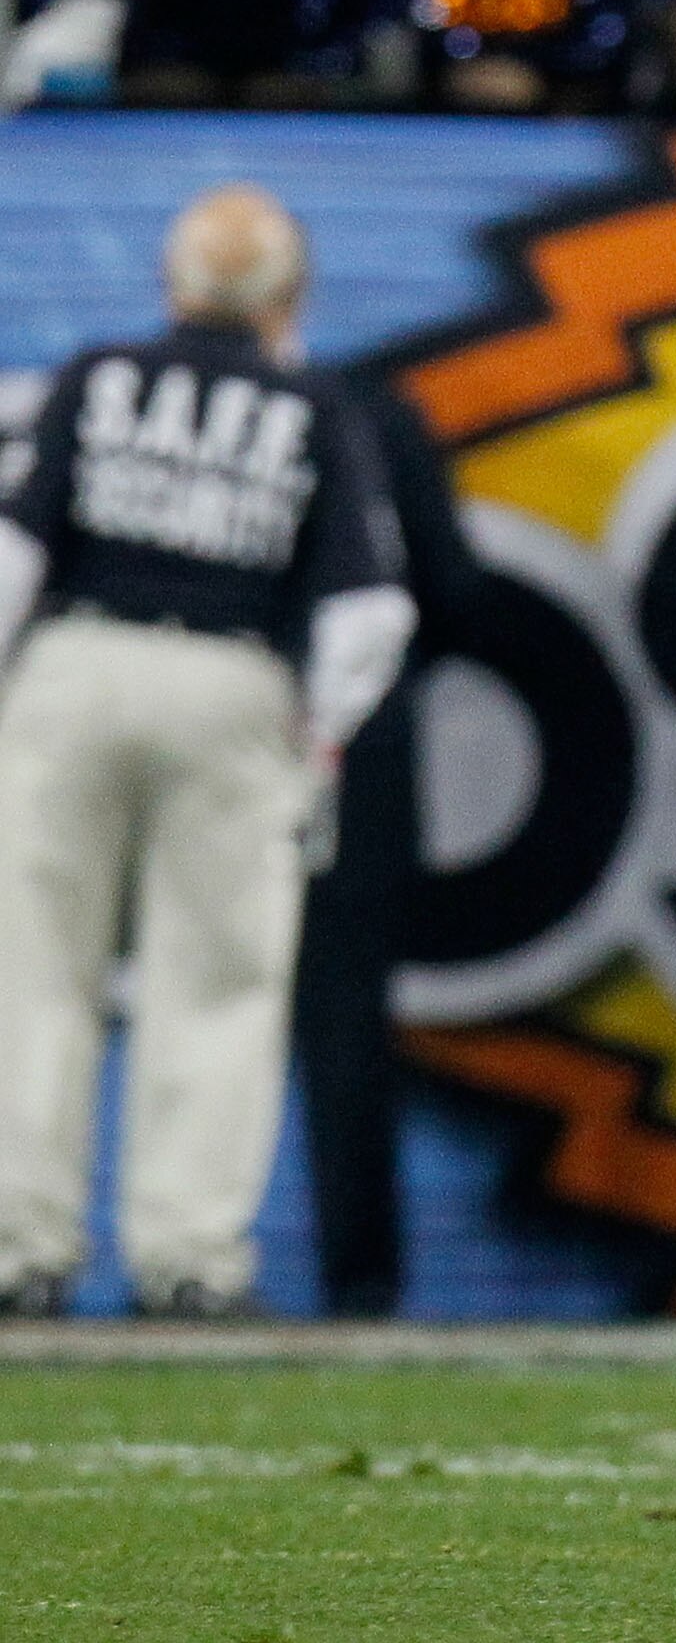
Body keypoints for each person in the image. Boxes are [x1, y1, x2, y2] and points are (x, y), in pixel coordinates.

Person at [0, 185, 414, 1318]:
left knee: (34, 969)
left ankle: (19, 1248)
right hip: (232, 680)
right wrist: (317, 731)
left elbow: (13, 552)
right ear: (288, 296)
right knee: (218, 982)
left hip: (74, 670)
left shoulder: (97, 377)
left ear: (175, 283)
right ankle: (186, 1257)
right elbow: (370, 610)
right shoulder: (313, 404)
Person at [292, 374, 486, 1319]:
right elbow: (448, 589)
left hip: (214, 734)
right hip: (352, 748)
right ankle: (361, 1285)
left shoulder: (131, 396)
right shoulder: (372, 415)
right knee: (344, 1021)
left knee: (194, 1002)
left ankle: (179, 1263)